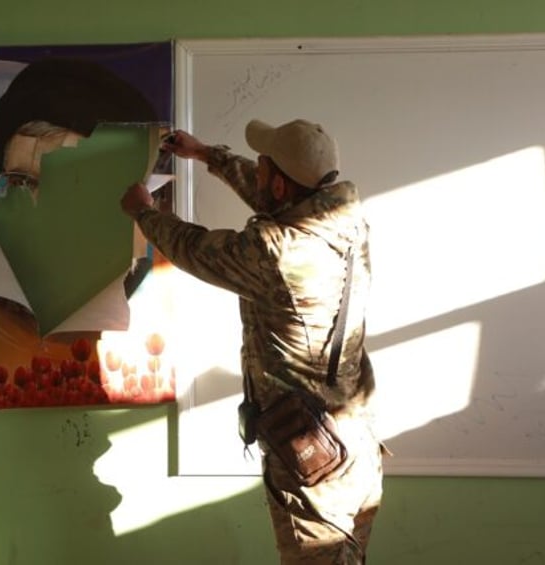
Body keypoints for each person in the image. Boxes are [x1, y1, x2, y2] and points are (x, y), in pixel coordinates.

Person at [120, 118, 384, 564]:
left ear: (280, 184)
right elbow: (276, 199)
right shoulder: (347, 219)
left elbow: (195, 250)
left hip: (314, 462)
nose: (258, 173)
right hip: (355, 448)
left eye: (262, 167)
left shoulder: (274, 252)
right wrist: (207, 155)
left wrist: (144, 213)